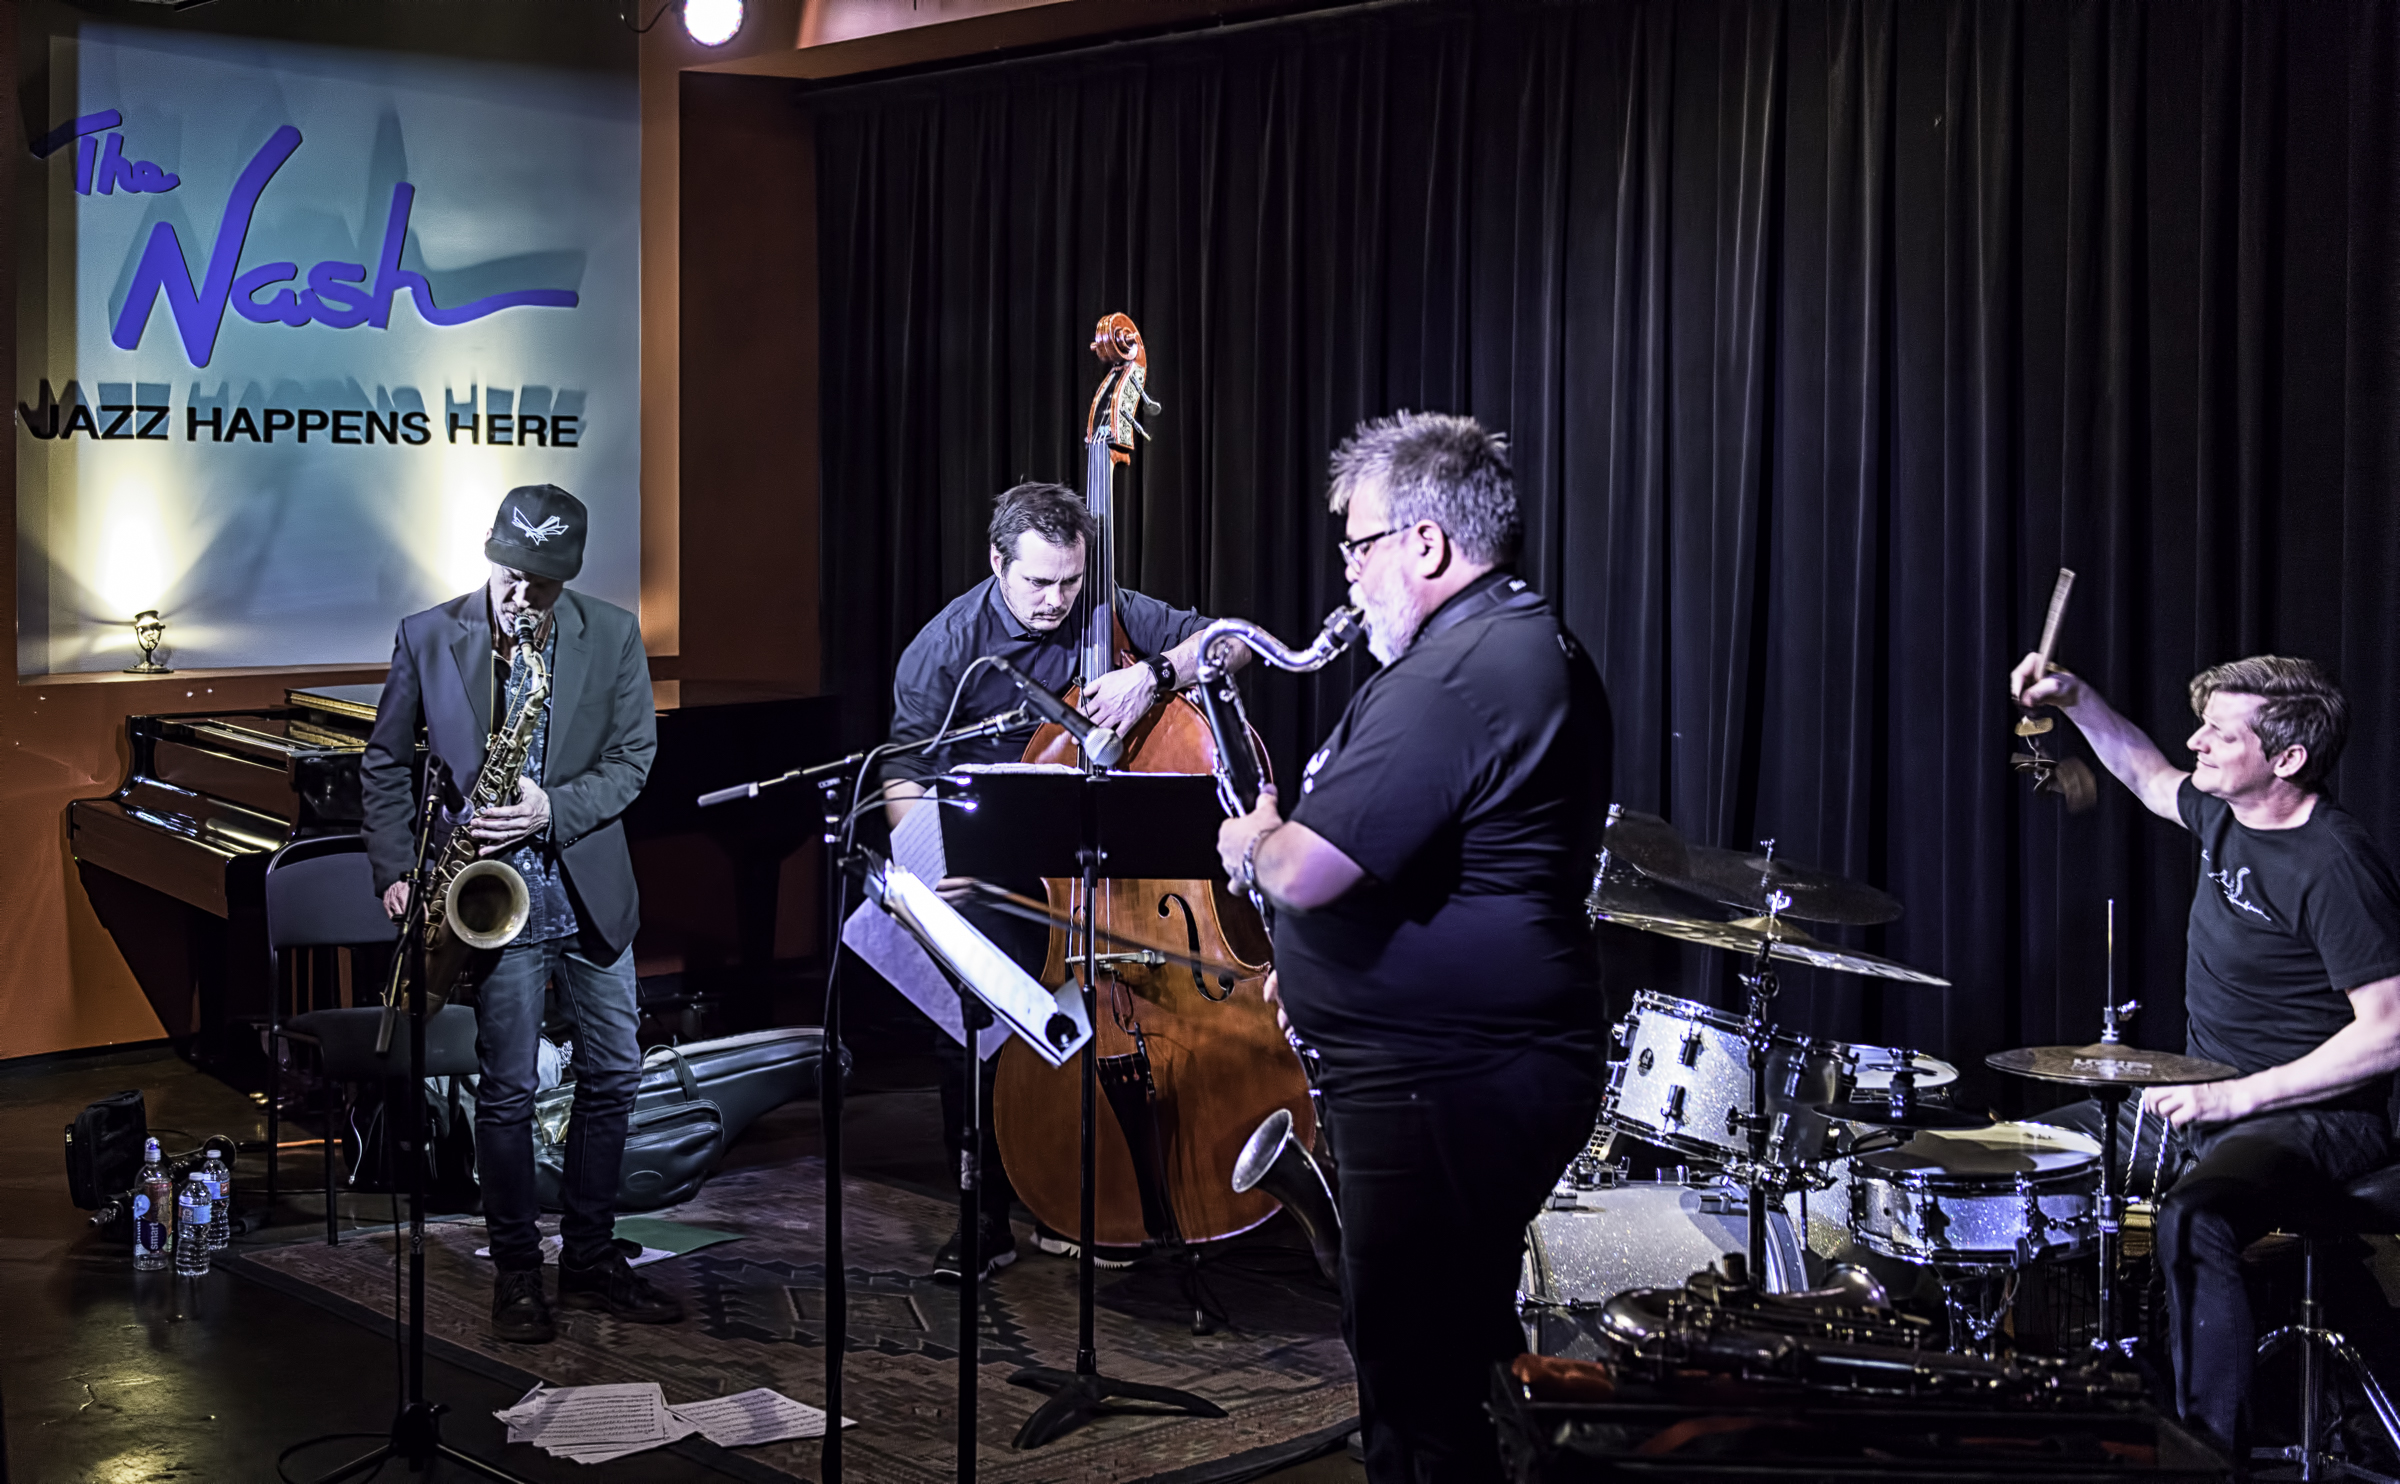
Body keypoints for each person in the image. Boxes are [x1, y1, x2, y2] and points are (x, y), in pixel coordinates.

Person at [1215, 412, 1612, 1483]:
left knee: (1421, 1407)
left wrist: (1250, 841)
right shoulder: (1508, 643)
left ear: (1426, 544)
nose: (1347, 578)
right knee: (1452, 1380)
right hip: (1453, 1076)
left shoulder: (1460, 671)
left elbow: (1302, 867)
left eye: (1357, 546)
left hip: (1448, 1085)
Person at [2012, 651, 2400, 1459]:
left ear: (2286, 759)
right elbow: (2148, 775)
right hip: (2203, 1097)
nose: (2196, 743)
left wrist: (2237, 1099)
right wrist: (2077, 698)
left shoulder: (2335, 864)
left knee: (2195, 1218)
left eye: (2220, 735)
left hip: (2313, 1118)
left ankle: (2204, 1457)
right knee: (2021, 1155)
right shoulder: (2226, 812)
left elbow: (2389, 1030)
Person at [882, 480, 1246, 1282]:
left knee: (1124, 1021)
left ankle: (1100, 1199)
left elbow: (1231, 643)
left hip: (1106, 874)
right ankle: (984, 1220)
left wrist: (1153, 673)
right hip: (996, 871)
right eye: (1037, 583)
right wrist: (919, 872)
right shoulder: (945, 647)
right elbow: (904, 771)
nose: (1056, 601)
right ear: (996, 564)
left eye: (1070, 582)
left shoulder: (1110, 609)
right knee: (973, 1030)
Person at [362, 484, 683, 1345]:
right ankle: (516, 1271)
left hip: (588, 889)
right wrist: (396, 869)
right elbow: (387, 762)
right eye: (510, 576)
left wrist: (554, 809)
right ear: (490, 554)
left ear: (568, 577)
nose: (521, 598)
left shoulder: (611, 634)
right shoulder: (428, 635)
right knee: (505, 1092)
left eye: (541, 584)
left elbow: (634, 759)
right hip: (490, 896)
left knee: (614, 1074)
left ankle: (587, 1252)